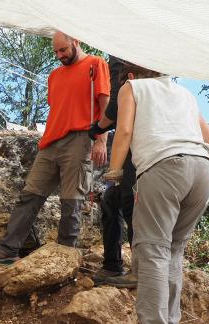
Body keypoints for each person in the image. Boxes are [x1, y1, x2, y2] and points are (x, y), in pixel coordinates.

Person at [106, 62, 209, 324]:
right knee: (173, 251)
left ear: (130, 76)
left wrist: (114, 172)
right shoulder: (184, 94)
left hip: (164, 168)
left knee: (152, 251)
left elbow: (125, 130)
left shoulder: (132, 88)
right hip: (202, 170)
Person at [0, 32, 110, 265]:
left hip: (81, 138)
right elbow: (59, 108)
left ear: (76, 42)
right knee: (29, 194)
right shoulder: (54, 75)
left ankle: (64, 257)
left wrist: (101, 139)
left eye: (63, 50)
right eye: (56, 51)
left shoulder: (95, 64)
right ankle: (8, 250)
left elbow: (105, 105)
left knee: (72, 200)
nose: (59, 55)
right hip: (50, 141)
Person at [88, 56, 138, 286]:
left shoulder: (126, 55)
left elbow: (117, 100)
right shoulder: (118, 52)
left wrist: (99, 127)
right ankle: (112, 265)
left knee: (131, 203)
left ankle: (140, 270)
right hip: (130, 144)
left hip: (141, 145)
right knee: (111, 198)